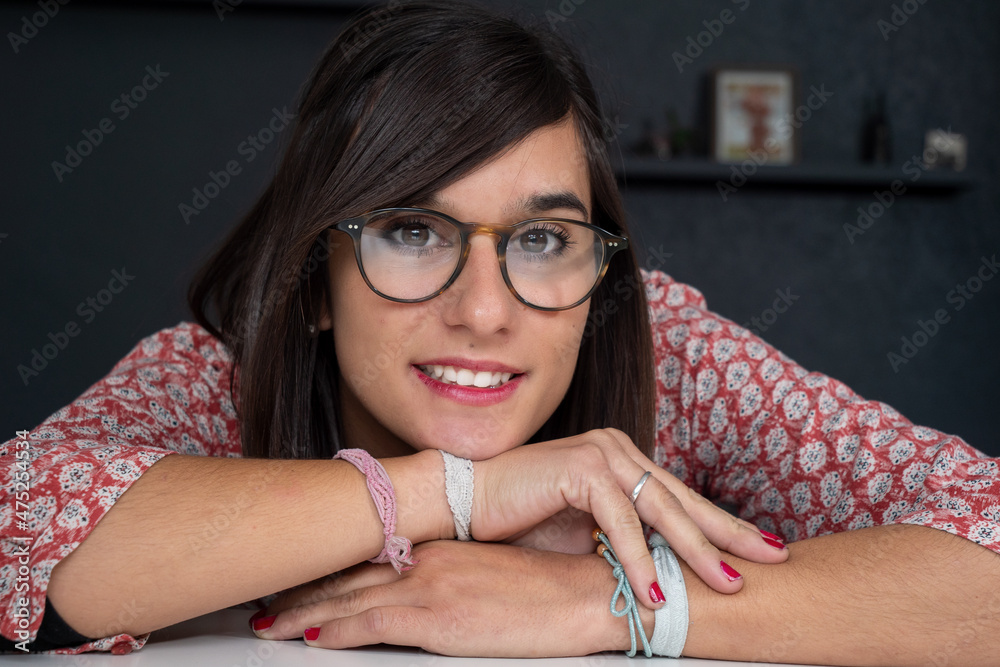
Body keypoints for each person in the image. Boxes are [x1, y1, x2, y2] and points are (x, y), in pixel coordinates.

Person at [2, 1, 998, 663]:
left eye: (540, 237)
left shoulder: (671, 354)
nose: (484, 310)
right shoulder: (214, 377)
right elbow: (17, 524)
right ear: (314, 278)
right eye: (407, 230)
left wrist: (603, 599)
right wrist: (459, 491)